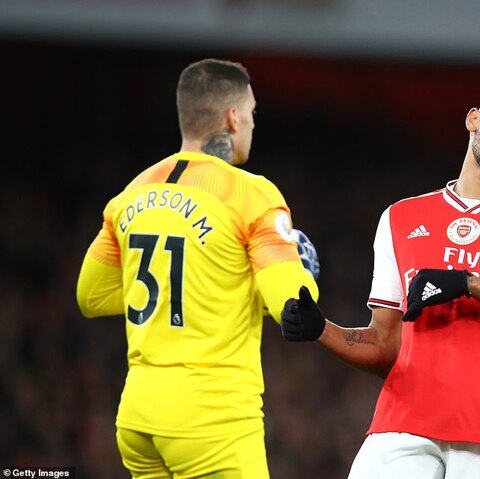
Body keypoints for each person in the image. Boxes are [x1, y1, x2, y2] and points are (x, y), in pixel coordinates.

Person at [281, 70, 480, 478]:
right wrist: (321, 329)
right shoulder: (401, 218)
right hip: (399, 429)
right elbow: (385, 346)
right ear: (474, 119)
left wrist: (471, 286)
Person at [76, 58, 319, 479]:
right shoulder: (251, 195)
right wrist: (300, 276)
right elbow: (294, 308)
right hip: (212, 421)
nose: (253, 123)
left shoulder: (132, 191)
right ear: (232, 117)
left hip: (137, 417)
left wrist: (211, 284)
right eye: (252, 112)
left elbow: (90, 296)